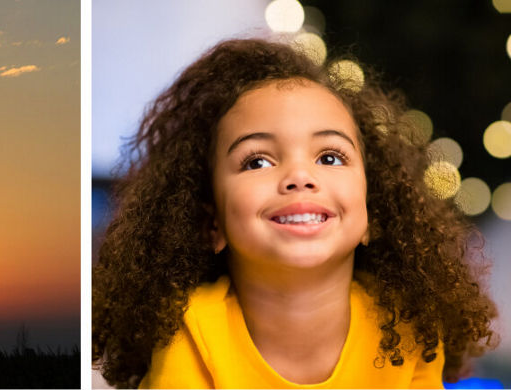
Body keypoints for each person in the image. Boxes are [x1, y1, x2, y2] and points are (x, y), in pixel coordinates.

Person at [92, 39, 499, 388]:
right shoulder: (186, 331)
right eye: (257, 162)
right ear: (210, 223)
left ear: (372, 215)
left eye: (329, 156)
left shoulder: (410, 328)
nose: (299, 176)